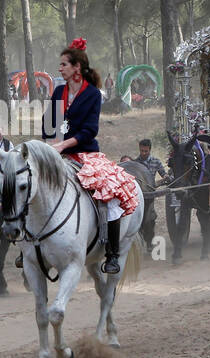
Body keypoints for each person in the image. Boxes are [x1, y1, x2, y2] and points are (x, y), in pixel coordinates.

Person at [38, 37, 141, 275]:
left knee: (110, 195)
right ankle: (30, 247)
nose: (59, 68)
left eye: (64, 64)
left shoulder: (93, 94)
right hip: (56, 152)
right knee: (30, 184)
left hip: (85, 154)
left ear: (77, 68)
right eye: (60, 64)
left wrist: (63, 146)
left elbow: (89, 131)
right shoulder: (59, 92)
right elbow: (48, 123)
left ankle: (112, 253)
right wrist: (51, 144)